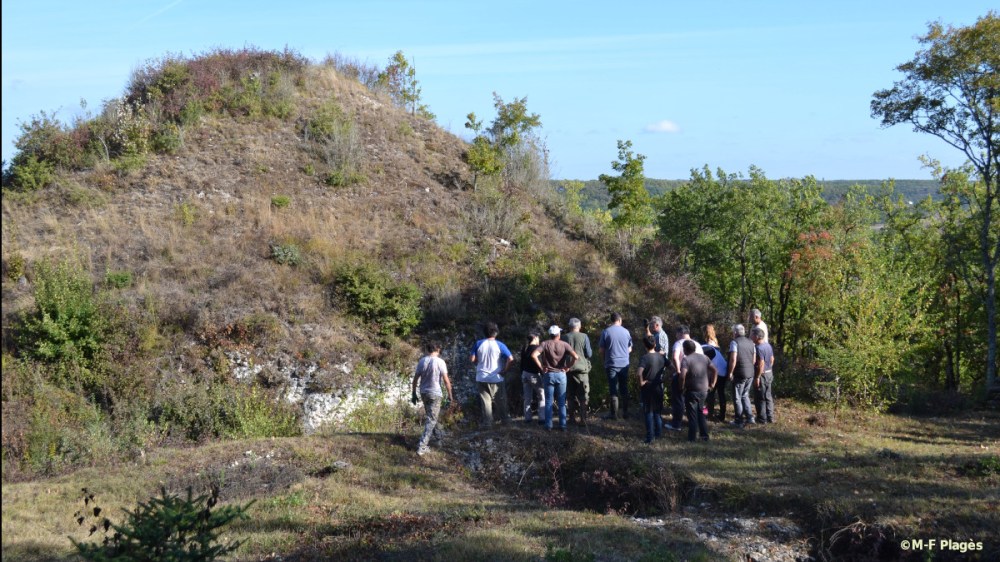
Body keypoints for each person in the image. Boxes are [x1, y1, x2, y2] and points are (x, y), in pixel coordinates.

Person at [531, 325, 579, 431]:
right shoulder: (564, 344)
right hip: (561, 374)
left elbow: (534, 355)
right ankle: (563, 425)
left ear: (550, 334)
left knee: (548, 401)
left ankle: (548, 425)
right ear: (558, 334)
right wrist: (568, 366)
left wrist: (541, 367)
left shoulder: (545, 344)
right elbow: (576, 357)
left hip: (548, 374)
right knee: (562, 402)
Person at [411, 342, 454, 456]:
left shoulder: (422, 361)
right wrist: (450, 394)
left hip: (424, 392)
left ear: (427, 350)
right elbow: (446, 380)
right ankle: (422, 446)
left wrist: (414, 393)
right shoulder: (440, 362)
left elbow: (415, 379)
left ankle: (439, 439)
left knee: (432, 416)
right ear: (438, 350)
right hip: (435, 393)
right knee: (432, 419)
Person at [470, 322, 514, 427]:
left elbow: (472, 359)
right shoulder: (500, 345)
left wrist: (478, 362)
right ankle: (505, 421)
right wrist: (505, 370)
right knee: (501, 400)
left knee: (485, 402)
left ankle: (488, 423)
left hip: (481, 377)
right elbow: (511, 359)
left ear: (484, 332)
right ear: (496, 332)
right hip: (496, 377)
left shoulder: (478, 344)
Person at [679, 339, 718, 442]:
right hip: (704, 390)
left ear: (685, 349)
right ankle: (704, 436)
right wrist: (712, 384)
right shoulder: (705, 357)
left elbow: (682, 376)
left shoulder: (686, 360)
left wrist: (681, 387)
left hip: (692, 390)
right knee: (701, 412)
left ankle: (692, 438)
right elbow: (714, 370)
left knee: (692, 415)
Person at [598, 312, 633, 420]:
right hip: (624, 364)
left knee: (613, 388)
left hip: (611, 363)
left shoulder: (606, 332)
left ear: (611, 320)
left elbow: (601, 350)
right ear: (620, 320)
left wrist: (604, 360)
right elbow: (630, 349)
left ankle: (614, 414)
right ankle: (626, 412)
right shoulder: (626, 332)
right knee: (624, 387)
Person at [668, 325, 703, 430]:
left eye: (676, 333)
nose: (676, 336)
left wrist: (678, 371)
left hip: (683, 374)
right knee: (694, 400)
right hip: (697, 376)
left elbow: (675, 357)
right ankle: (694, 422)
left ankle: (676, 424)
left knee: (678, 399)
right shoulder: (697, 344)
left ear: (680, 333)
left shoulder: (679, 343)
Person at [636, 335, 666, 444]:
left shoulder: (645, 358)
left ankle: (650, 437)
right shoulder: (661, 357)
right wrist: (666, 378)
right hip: (658, 386)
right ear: (655, 344)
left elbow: (639, 373)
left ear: (645, 345)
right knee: (657, 411)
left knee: (648, 412)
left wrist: (641, 382)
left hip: (648, 387)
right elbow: (672, 367)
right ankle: (658, 433)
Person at [563, 318, 593, 425]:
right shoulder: (584, 336)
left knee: (570, 395)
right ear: (579, 326)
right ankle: (583, 419)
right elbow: (589, 354)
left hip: (568, 369)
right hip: (582, 370)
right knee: (583, 396)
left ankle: (571, 418)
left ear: (569, 326)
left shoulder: (564, 337)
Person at [727, 324, 757, 427]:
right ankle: (750, 417)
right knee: (745, 395)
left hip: (740, 373)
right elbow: (754, 360)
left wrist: (730, 372)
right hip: (751, 373)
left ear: (735, 332)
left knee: (737, 397)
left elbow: (733, 359)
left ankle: (738, 420)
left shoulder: (734, 342)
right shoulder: (751, 342)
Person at [519, 330, 545, 422]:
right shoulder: (537, 348)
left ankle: (528, 418)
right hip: (533, 375)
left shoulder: (525, 348)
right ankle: (542, 418)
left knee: (527, 398)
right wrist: (543, 373)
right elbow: (539, 363)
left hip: (524, 374)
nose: (539, 339)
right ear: (535, 338)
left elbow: (521, 363)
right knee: (541, 396)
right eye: (538, 337)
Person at [752, 326, 775, 424]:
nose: (751, 337)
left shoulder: (758, 348)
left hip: (762, 375)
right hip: (769, 373)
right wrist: (769, 368)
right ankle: (770, 417)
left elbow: (761, 363)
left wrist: (757, 377)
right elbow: (772, 359)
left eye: (752, 335)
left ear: (757, 337)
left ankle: (762, 418)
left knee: (760, 397)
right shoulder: (768, 345)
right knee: (768, 396)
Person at [702, 340, 729, 422]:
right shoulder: (705, 348)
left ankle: (710, 414)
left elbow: (709, 368)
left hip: (719, 372)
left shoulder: (704, 351)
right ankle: (721, 415)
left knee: (710, 393)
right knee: (720, 393)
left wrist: (709, 381)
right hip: (723, 371)